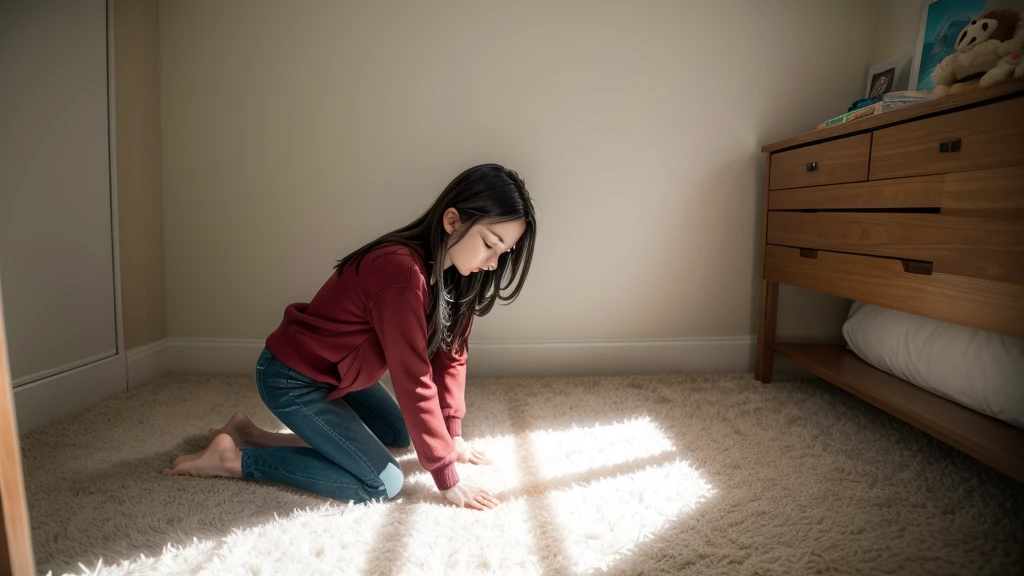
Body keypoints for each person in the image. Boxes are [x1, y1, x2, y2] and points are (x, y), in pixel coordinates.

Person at [163, 164, 537, 511]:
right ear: (453, 220)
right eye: (490, 243)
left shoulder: (456, 277)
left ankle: (250, 434)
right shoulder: (400, 272)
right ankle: (233, 460)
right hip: (293, 377)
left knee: (401, 432)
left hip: (341, 373)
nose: (494, 262)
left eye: (503, 253)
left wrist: (452, 433)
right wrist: (446, 475)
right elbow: (413, 376)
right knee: (382, 483)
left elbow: (452, 354)